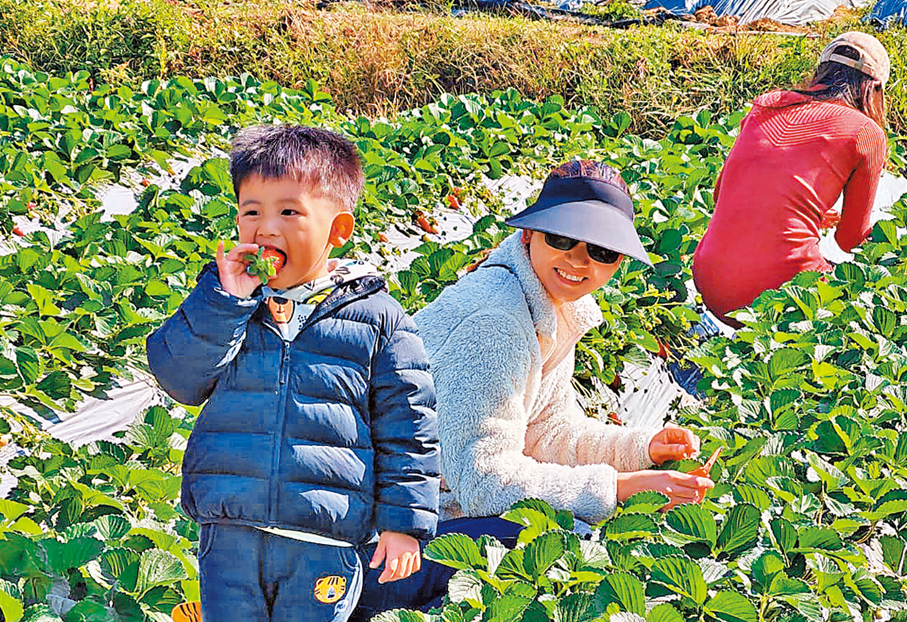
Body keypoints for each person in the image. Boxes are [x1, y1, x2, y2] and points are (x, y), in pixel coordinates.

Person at [352, 160, 713, 620]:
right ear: (529, 236)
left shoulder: (545, 305)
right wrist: (619, 488)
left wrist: (641, 448)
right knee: (556, 537)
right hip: (367, 547)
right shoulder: (495, 323)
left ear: (618, 262)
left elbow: (549, 431)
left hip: (416, 513)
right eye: (561, 239)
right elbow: (485, 482)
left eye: (601, 250)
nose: (579, 259)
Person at [146, 125, 440, 622]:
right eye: (251, 212)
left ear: (338, 230)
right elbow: (180, 378)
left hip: (324, 539)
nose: (266, 228)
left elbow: (408, 427)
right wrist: (225, 302)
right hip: (230, 530)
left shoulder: (379, 320)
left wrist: (404, 524)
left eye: (289, 212)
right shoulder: (225, 302)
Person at [693, 31, 890, 327]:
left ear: (820, 70)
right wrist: (893, 241)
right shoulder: (866, 132)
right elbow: (849, 240)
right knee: (867, 302)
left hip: (708, 284)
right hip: (778, 301)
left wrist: (806, 212)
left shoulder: (768, 102)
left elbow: (721, 193)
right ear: (873, 88)